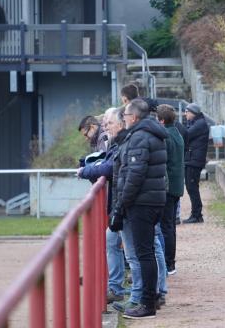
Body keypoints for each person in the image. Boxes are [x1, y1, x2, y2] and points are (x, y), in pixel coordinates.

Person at [111, 99, 168, 319]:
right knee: (148, 252)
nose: (123, 119)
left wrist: (120, 206)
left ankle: (147, 304)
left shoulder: (139, 137)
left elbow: (134, 175)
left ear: (133, 117)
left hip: (142, 202)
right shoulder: (151, 134)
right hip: (152, 199)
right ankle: (149, 299)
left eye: (125, 115)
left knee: (144, 253)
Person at [77, 108, 131, 305]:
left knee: (132, 249)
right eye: (106, 124)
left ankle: (134, 292)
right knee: (116, 242)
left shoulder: (116, 141)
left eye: (110, 124)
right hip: (122, 198)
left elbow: (109, 166)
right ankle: (118, 287)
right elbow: (108, 163)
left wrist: (87, 170)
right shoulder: (117, 141)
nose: (107, 128)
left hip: (126, 200)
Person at [156, 104, 185, 275]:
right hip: (176, 186)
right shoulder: (177, 134)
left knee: (166, 227)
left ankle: (168, 264)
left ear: (161, 120)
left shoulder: (165, 136)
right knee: (170, 227)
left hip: (167, 188)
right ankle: (170, 263)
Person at [182, 103, 209, 224]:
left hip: (194, 161)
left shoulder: (200, 124)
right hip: (192, 159)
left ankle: (197, 215)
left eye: (187, 111)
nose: (185, 114)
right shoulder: (196, 123)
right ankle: (196, 214)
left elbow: (186, 135)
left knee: (192, 187)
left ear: (193, 112)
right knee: (191, 187)